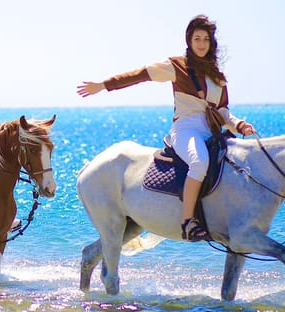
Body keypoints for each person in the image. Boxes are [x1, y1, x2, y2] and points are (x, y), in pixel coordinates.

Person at [76, 14, 256, 241]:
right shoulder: (176, 66)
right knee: (199, 162)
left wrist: (239, 124)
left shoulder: (217, 76)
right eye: (197, 38)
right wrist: (103, 85)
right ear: (189, 40)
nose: (201, 44)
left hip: (212, 132)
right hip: (186, 129)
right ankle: (188, 221)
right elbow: (139, 75)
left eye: (206, 39)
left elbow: (222, 111)